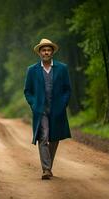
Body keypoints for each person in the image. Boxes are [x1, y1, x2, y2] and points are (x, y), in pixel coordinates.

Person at [24, 38, 71, 180]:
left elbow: (67, 89)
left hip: (57, 110)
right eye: (43, 50)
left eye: (48, 50)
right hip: (41, 111)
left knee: (55, 138)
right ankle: (46, 169)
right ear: (39, 52)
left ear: (52, 52)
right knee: (43, 137)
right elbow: (28, 91)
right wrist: (34, 105)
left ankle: (48, 166)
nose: (46, 52)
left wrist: (63, 104)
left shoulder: (62, 68)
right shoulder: (32, 70)